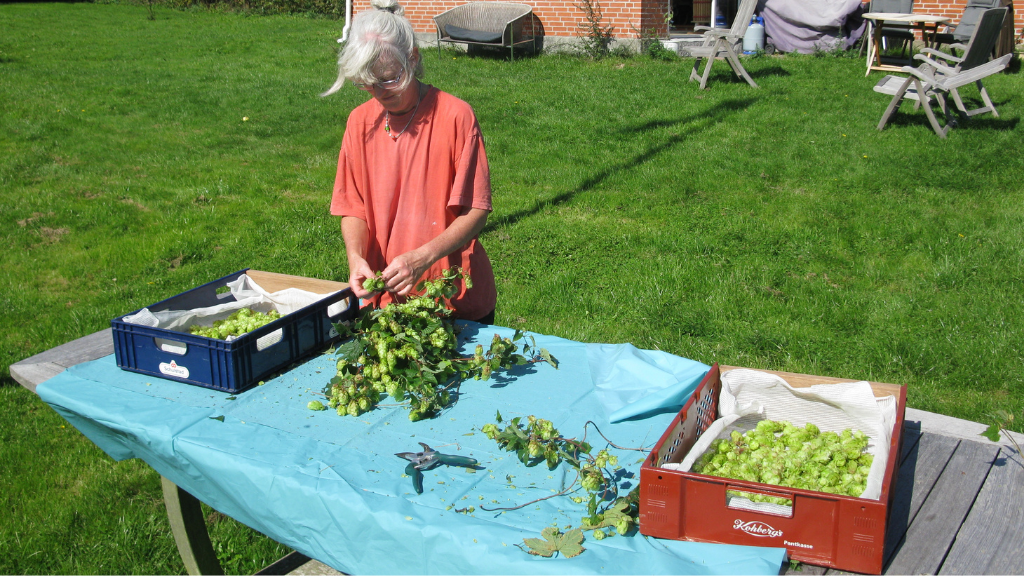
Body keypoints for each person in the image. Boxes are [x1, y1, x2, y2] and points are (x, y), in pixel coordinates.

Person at [323, 0, 496, 324]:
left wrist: (423, 258)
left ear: (413, 58)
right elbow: (353, 207)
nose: (378, 92)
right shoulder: (359, 122)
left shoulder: (455, 116)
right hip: (384, 301)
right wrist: (356, 258)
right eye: (367, 82)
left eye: (388, 79)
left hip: (454, 300)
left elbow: (476, 210)